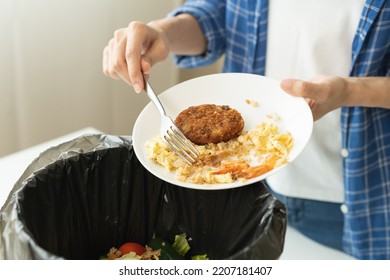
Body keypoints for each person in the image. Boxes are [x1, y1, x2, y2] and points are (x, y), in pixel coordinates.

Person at [102, 0, 390, 259]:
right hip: (246, 184)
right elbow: (221, 13)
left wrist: (351, 91)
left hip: (359, 197)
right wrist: (165, 32)